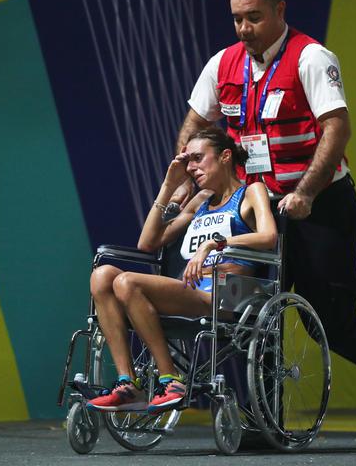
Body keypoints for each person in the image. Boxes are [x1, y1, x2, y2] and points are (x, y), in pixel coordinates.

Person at [173, 0, 356, 429]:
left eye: (254, 18)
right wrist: (189, 178)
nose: (244, 28)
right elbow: (195, 125)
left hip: (320, 206)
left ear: (280, 11)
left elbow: (337, 128)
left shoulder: (312, 58)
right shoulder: (223, 64)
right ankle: (266, 421)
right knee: (257, 312)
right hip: (257, 208)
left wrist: (305, 193)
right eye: (237, 19)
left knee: (330, 322)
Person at [87, 127, 277, 414]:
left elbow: (268, 237)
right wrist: (168, 186)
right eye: (188, 161)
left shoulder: (251, 191)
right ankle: (128, 384)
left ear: (225, 156)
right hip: (190, 293)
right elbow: (147, 242)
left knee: (126, 282)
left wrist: (215, 244)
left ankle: (170, 379)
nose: (191, 167)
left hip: (226, 296)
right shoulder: (200, 201)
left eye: (199, 158)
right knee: (102, 275)